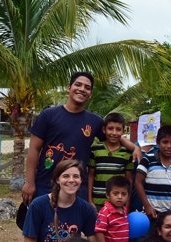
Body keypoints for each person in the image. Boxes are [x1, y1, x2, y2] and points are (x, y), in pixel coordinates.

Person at [22, 72, 139, 205]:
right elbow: (34, 148)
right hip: (46, 183)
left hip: (78, 187)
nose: (82, 89)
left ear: (90, 94)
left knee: (75, 225)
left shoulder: (95, 121)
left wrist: (135, 148)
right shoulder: (48, 115)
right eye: (78, 85)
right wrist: (30, 182)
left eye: (87, 87)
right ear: (68, 88)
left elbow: (114, 137)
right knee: (45, 224)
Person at [87, 112, 134, 211]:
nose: (114, 133)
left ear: (123, 132)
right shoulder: (95, 150)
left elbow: (129, 179)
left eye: (118, 129)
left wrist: (127, 205)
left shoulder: (127, 153)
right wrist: (90, 200)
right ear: (104, 130)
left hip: (118, 204)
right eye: (110, 128)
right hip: (98, 203)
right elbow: (91, 175)